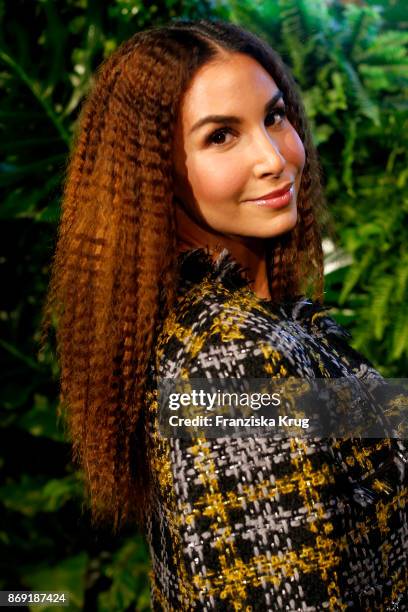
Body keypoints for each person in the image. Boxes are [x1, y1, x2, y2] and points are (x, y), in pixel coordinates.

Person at [41, 18, 407, 611]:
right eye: (220, 137)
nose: (274, 157)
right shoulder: (232, 359)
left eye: (275, 116)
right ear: (155, 173)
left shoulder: (254, 326)